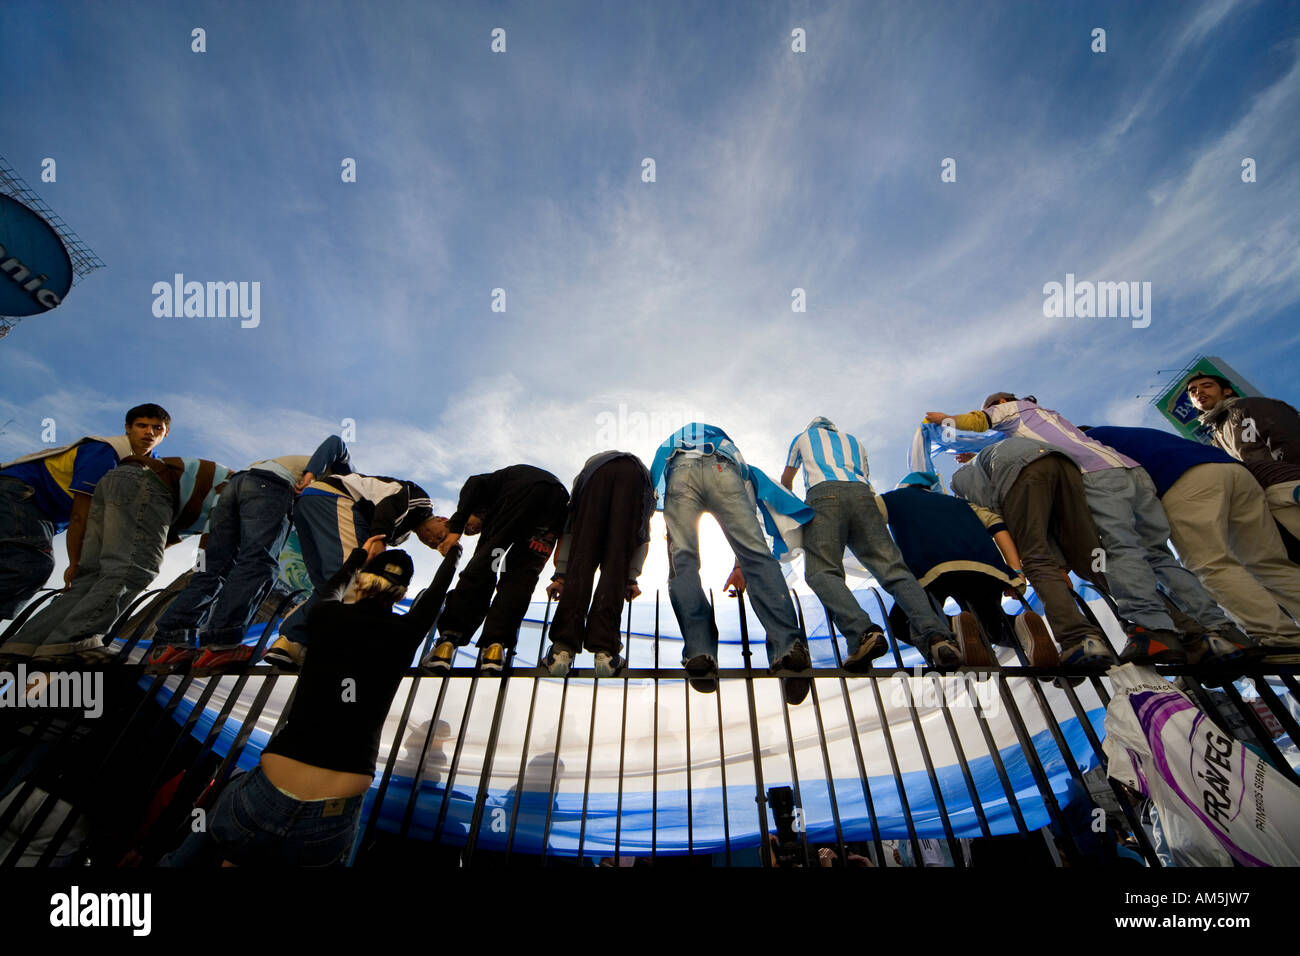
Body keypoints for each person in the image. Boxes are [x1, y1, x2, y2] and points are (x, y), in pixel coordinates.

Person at [161, 543, 461, 867]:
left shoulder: (326, 615)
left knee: (231, 827)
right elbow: (436, 595)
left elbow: (330, 588)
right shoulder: (408, 632)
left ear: (361, 582)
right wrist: (453, 555)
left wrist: (360, 556)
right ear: (401, 596)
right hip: (331, 817)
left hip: (264, 799)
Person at [929, 394, 1248, 666]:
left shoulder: (1009, 414)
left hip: (1089, 475)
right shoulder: (1044, 424)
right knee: (1112, 558)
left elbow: (1003, 517)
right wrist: (1064, 563)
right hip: (1107, 471)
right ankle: (1206, 632)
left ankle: (1095, 637)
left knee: (1088, 550)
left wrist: (947, 422)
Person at [146, 435, 352, 675]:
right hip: (271, 486)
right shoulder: (352, 479)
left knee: (214, 568)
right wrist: (311, 474)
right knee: (259, 563)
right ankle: (221, 644)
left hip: (235, 485)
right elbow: (337, 443)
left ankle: (171, 642)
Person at [1086, 425, 1295, 661]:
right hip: (1233, 470)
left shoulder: (1086, 442)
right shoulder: (1122, 433)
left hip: (1183, 479)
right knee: (1269, 563)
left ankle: (1282, 639)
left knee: (1212, 565)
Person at [0, 454, 232, 664]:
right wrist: (202, 570)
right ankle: (75, 640)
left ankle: (23, 645)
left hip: (119, 484)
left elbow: (162, 539)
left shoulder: (209, 502)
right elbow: (210, 546)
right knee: (134, 569)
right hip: (148, 485)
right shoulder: (244, 494)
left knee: (94, 575)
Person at [649, 423, 814, 702]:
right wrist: (740, 566)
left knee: (683, 563)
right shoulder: (735, 456)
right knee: (758, 557)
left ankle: (700, 650)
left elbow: (657, 467)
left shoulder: (676, 440)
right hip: (723, 468)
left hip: (679, 471)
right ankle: (789, 645)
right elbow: (751, 528)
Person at [781, 418, 959, 670]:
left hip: (824, 494)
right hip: (864, 497)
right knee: (894, 572)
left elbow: (787, 479)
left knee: (822, 571)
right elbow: (865, 475)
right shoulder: (855, 442)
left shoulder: (802, 438)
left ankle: (863, 632)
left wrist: (790, 512)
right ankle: (937, 636)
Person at [950, 438, 1116, 669]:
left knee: (1035, 559)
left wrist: (1015, 571)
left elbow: (995, 512)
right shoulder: (989, 457)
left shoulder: (959, 478)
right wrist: (1059, 568)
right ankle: (1146, 622)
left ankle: (1080, 639)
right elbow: (1043, 523)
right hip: (1060, 461)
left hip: (1022, 473)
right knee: (1092, 556)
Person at [0, 404, 169, 621]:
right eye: (142, 425)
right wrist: (75, 564)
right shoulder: (106, 453)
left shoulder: (148, 468)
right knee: (32, 561)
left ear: (166, 433)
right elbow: (81, 515)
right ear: (128, 428)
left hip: (40, 510)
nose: (149, 432)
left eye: (157, 428)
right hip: (18, 493)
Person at [261, 471, 441, 671]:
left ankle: (289, 642)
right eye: (440, 536)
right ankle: (326, 649)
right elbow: (390, 504)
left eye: (434, 545)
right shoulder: (423, 504)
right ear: (442, 519)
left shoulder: (401, 535)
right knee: (356, 583)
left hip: (309, 504)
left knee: (331, 585)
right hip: (337, 499)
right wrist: (380, 537)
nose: (433, 541)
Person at [421, 465, 569, 674]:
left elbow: (474, 481)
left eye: (470, 528)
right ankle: (495, 646)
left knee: (482, 568)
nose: (473, 530)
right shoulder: (501, 499)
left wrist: (456, 527)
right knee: (520, 576)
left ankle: (449, 638)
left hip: (522, 494)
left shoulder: (486, 490)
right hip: (556, 504)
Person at [879, 471, 1031, 666]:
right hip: (985, 569)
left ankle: (953, 634)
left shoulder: (893, 499)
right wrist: (1016, 571)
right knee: (992, 625)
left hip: (931, 569)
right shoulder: (964, 505)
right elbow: (997, 526)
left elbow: (859, 515)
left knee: (900, 624)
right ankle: (1019, 627)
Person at [540, 451, 656, 678]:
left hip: (594, 475)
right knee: (616, 564)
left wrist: (562, 574)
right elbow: (641, 533)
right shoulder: (633, 471)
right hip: (635, 475)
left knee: (582, 558)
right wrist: (631, 577)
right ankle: (605, 651)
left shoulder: (592, 469)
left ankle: (561, 650)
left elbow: (570, 527)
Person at [1187, 374, 1300, 544]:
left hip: (1288, 485)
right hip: (1264, 502)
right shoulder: (1215, 439)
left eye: (1207, 385)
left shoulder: (1249, 406)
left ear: (1227, 391)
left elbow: (1289, 440)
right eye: (1192, 391)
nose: (1199, 392)